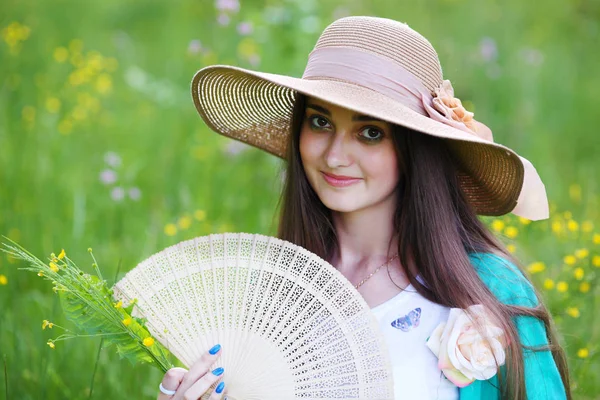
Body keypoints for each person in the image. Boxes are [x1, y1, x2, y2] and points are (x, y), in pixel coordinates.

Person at [157, 16, 571, 400]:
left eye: (370, 132)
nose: (335, 156)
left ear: (415, 149)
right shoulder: (271, 297)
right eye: (320, 122)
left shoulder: (488, 289)